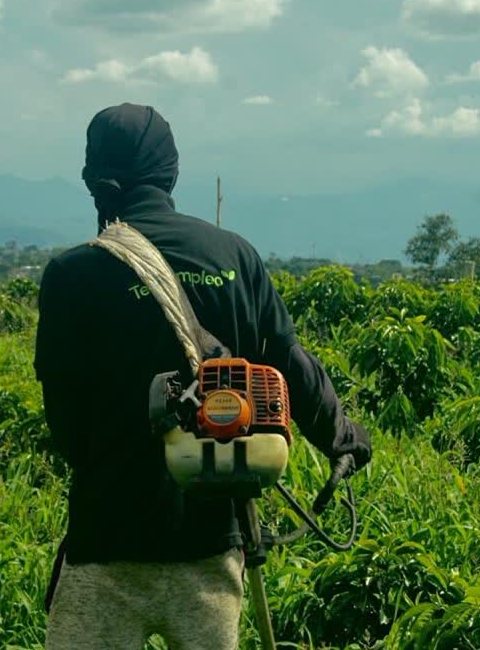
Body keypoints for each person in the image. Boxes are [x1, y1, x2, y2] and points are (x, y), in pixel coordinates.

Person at [34, 103, 372, 649]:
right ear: (169, 172)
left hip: (105, 542)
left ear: (94, 179)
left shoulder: (70, 275)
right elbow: (288, 363)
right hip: (211, 544)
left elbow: (66, 427)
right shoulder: (233, 254)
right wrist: (343, 438)